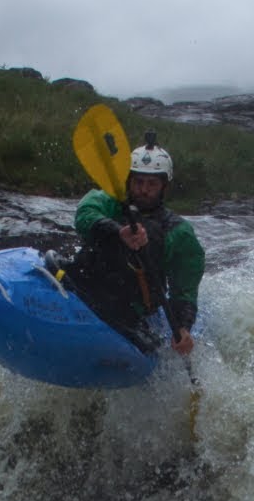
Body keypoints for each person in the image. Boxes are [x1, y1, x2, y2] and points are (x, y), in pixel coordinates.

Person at [52, 132, 205, 355]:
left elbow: (185, 289)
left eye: (152, 184)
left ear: (164, 187)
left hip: (131, 308)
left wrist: (183, 326)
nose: (144, 190)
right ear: (128, 180)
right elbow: (85, 214)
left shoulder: (178, 232)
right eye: (138, 182)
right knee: (102, 238)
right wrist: (117, 232)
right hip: (88, 283)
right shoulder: (109, 201)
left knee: (151, 235)